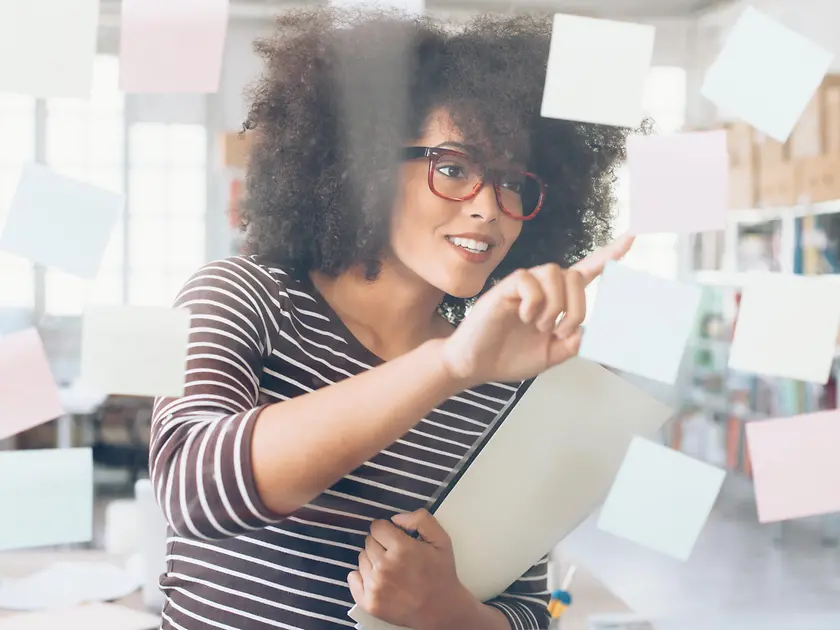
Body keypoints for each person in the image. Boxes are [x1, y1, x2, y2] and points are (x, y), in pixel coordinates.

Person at [150, 8, 633, 630]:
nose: (489, 207)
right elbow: (191, 491)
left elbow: (529, 608)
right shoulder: (240, 295)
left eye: (513, 183)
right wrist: (448, 366)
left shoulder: (504, 380)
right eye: (454, 167)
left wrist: (452, 614)